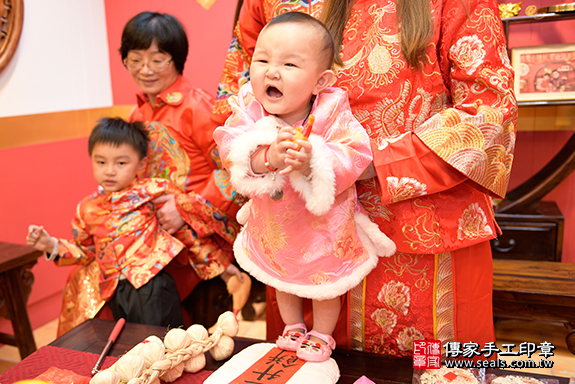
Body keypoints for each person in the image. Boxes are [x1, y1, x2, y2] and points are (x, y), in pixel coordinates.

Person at [213, 0, 517, 357]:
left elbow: (489, 114)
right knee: (309, 370)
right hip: (300, 235)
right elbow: (232, 102)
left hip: (423, 234)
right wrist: (266, 155)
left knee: (440, 372)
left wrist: (371, 161)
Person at [214, 12, 395, 362]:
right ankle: (293, 325)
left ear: (320, 80)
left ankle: (323, 335)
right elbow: (230, 148)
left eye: (289, 64)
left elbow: (356, 151)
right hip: (275, 222)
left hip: (323, 224)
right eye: (262, 60)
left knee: (326, 281)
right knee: (281, 276)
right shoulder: (249, 109)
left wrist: (316, 158)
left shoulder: (332, 109)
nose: (271, 71)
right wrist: (267, 157)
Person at [55, 11, 249, 336]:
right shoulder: (137, 113)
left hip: (198, 231)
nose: (145, 70)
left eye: (158, 59)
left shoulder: (198, 107)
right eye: (135, 59)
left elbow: (236, 173)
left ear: (177, 59)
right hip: (149, 228)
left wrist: (184, 209)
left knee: (119, 279)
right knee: (89, 272)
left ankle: (158, 352)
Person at [27, 118, 187, 326]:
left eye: (121, 163)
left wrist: (215, 262)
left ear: (141, 164)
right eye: (101, 162)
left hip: (151, 285)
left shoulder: (154, 190)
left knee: (163, 345)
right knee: (127, 347)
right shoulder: (87, 207)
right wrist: (52, 245)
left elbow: (186, 219)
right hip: (113, 291)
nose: (109, 171)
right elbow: (87, 252)